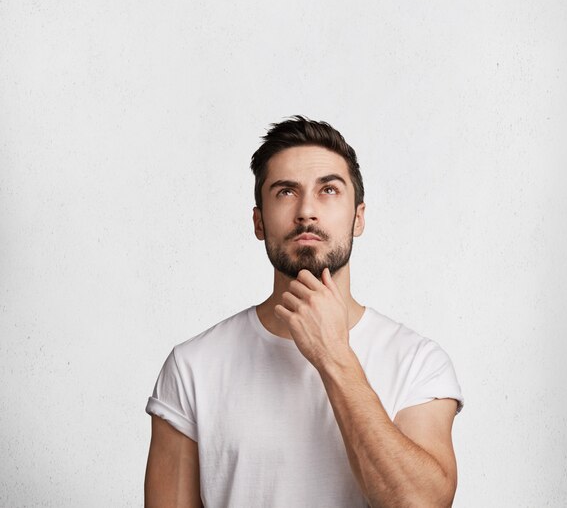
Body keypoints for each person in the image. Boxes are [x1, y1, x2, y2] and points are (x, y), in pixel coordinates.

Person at [144, 116, 464, 507]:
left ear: (358, 217)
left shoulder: (418, 362)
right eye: (285, 192)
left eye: (328, 190)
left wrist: (334, 356)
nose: (307, 211)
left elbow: (422, 504)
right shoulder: (192, 366)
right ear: (259, 222)